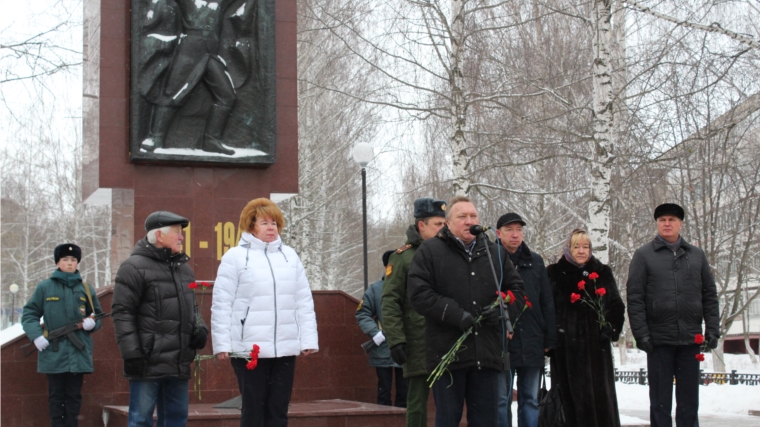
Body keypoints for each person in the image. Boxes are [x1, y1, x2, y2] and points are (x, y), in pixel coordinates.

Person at [408, 196, 525, 427]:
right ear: (448, 223)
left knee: (486, 421)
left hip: (487, 354)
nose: (468, 221)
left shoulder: (495, 254)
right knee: (448, 419)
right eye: (462, 217)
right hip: (448, 353)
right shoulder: (430, 251)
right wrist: (455, 314)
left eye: (473, 216)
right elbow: (419, 294)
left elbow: (518, 290)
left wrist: (503, 310)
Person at [211, 198, 319, 427]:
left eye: (274, 222)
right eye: (264, 222)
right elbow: (222, 303)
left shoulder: (290, 256)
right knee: (253, 411)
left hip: (285, 347)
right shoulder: (235, 257)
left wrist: (308, 339)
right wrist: (221, 343)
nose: (271, 227)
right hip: (249, 349)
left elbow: (303, 301)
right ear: (251, 226)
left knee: (278, 411)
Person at [627, 203, 720, 427]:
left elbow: (709, 294)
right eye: (662, 220)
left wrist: (713, 329)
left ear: (680, 223)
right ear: (657, 224)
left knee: (689, 401)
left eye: (671, 219)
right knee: (660, 401)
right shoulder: (643, 255)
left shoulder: (696, 256)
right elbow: (635, 297)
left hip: (690, 338)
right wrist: (641, 334)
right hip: (658, 340)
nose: (667, 224)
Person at [112, 211, 209, 427]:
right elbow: (122, 313)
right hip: (147, 362)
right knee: (140, 420)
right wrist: (132, 355)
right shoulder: (132, 267)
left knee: (176, 420)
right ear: (159, 235)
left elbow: (192, 307)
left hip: (178, 362)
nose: (181, 237)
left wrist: (200, 328)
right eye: (177, 232)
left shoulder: (184, 270)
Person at [546, 228, 625, 427]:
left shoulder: (602, 272)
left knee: (599, 401)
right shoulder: (555, 273)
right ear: (568, 248)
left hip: (596, 349)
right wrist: (550, 338)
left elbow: (615, 305)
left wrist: (611, 326)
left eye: (586, 247)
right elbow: (546, 308)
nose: (581, 251)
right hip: (566, 351)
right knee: (569, 402)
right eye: (576, 246)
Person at [381, 197, 446, 427]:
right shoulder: (402, 257)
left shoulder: (449, 252)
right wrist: (396, 340)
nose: (443, 229)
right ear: (422, 225)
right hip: (418, 340)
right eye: (437, 224)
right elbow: (390, 301)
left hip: (448, 338)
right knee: (417, 402)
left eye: (444, 223)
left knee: (449, 402)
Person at [22, 243, 103, 427]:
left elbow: (97, 315)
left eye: (73, 260)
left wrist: (92, 324)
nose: (69, 263)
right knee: (56, 397)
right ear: (58, 262)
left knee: (74, 397)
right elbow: (29, 314)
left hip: (78, 351)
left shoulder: (86, 289)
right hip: (53, 350)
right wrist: (36, 336)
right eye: (65, 259)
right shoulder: (45, 287)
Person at [494, 213, 556, 427]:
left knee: (530, 399)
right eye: (510, 229)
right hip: (502, 341)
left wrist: (550, 338)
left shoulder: (535, 261)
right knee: (501, 400)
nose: (515, 234)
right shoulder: (491, 260)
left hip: (532, 339)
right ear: (498, 233)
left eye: (519, 230)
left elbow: (546, 301)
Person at [356, 251, 408, 407]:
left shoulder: (411, 286)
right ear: (386, 266)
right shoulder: (375, 289)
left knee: (405, 395)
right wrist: (375, 332)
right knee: (383, 393)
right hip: (383, 347)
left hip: (406, 347)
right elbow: (362, 313)